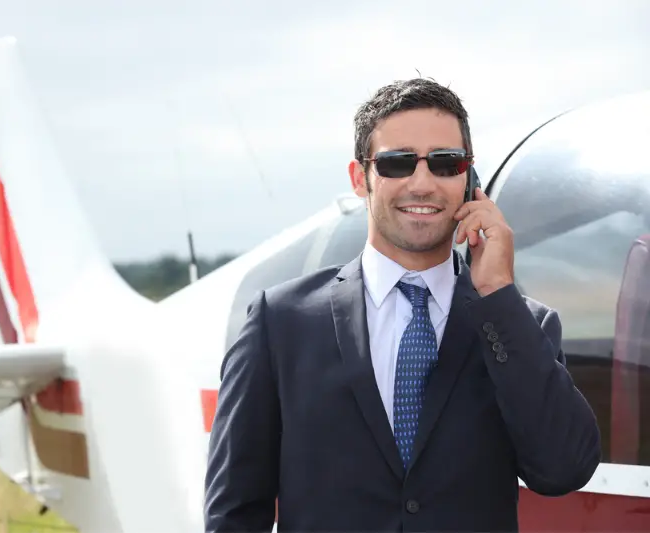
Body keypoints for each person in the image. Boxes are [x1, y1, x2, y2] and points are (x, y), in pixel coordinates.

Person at [203, 78, 601, 532]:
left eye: (445, 163)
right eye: (397, 163)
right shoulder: (280, 324)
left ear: (468, 179)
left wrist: (497, 296)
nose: (422, 182)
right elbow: (233, 512)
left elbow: (564, 469)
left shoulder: (520, 325)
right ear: (360, 179)